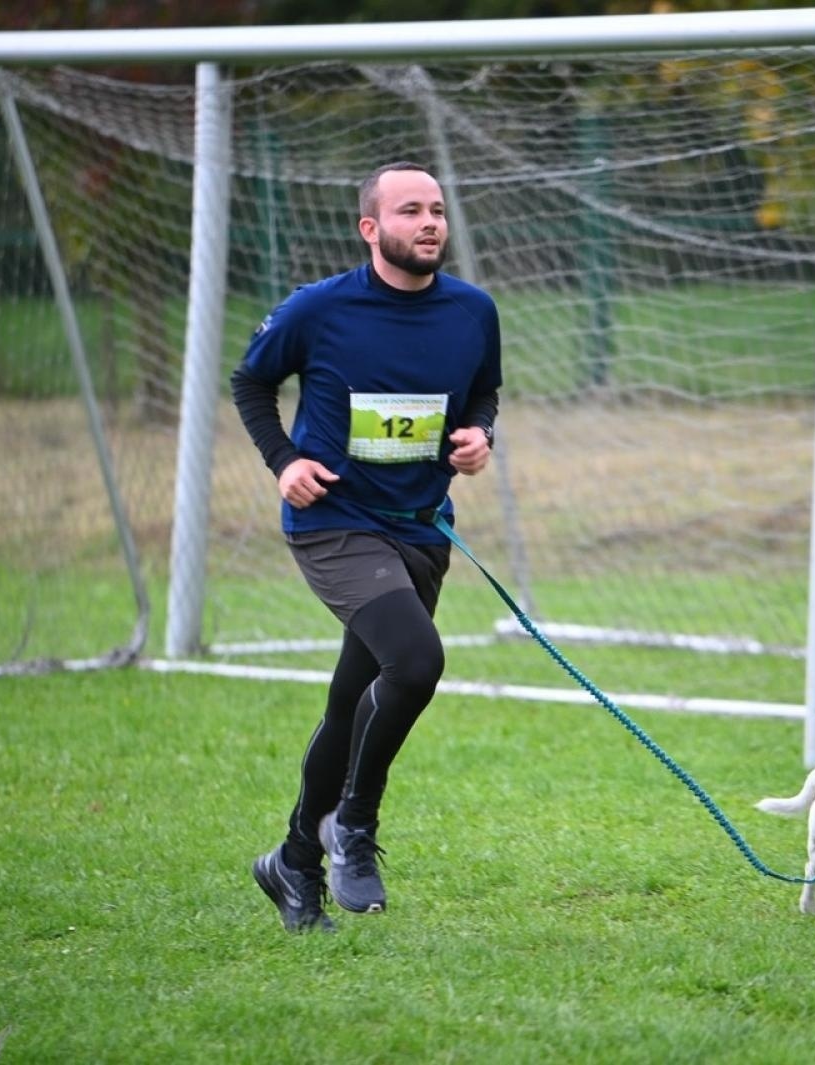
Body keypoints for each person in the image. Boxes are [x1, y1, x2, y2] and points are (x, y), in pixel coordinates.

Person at [233, 161, 501, 933]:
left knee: (352, 703)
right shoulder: (319, 310)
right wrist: (285, 463)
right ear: (370, 227)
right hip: (335, 523)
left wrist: (481, 434)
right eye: (410, 210)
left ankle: (291, 863)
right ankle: (351, 825)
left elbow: (485, 391)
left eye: (439, 211)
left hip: (420, 528)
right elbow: (251, 383)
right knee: (416, 662)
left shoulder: (473, 311)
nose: (429, 223)